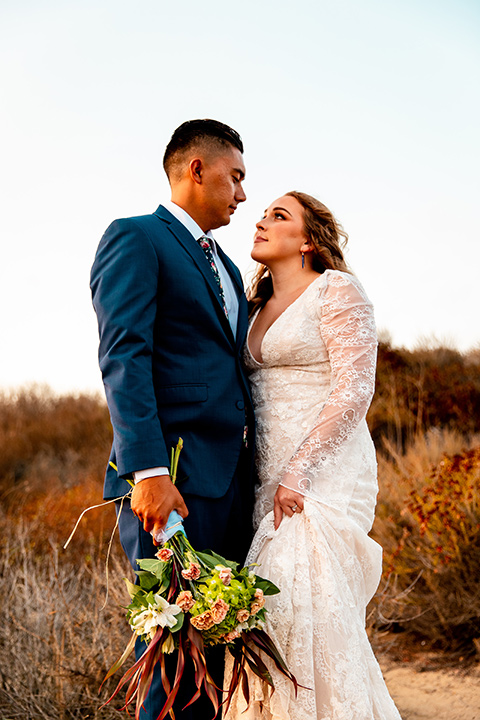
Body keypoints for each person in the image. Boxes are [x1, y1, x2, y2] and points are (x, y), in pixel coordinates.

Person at [90, 119, 255, 720]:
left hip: (232, 482)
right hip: (171, 483)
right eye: (235, 177)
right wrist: (149, 470)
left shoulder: (230, 268)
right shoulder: (137, 238)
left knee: (214, 654)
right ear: (196, 169)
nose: (242, 194)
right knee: (169, 652)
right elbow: (123, 355)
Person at [225, 191, 401, 719]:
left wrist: (299, 474)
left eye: (279, 216)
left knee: (302, 614)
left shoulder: (337, 291)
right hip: (265, 476)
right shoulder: (249, 304)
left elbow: (354, 391)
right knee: (267, 619)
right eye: (261, 213)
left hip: (320, 477)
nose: (260, 220)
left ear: (307, 240)